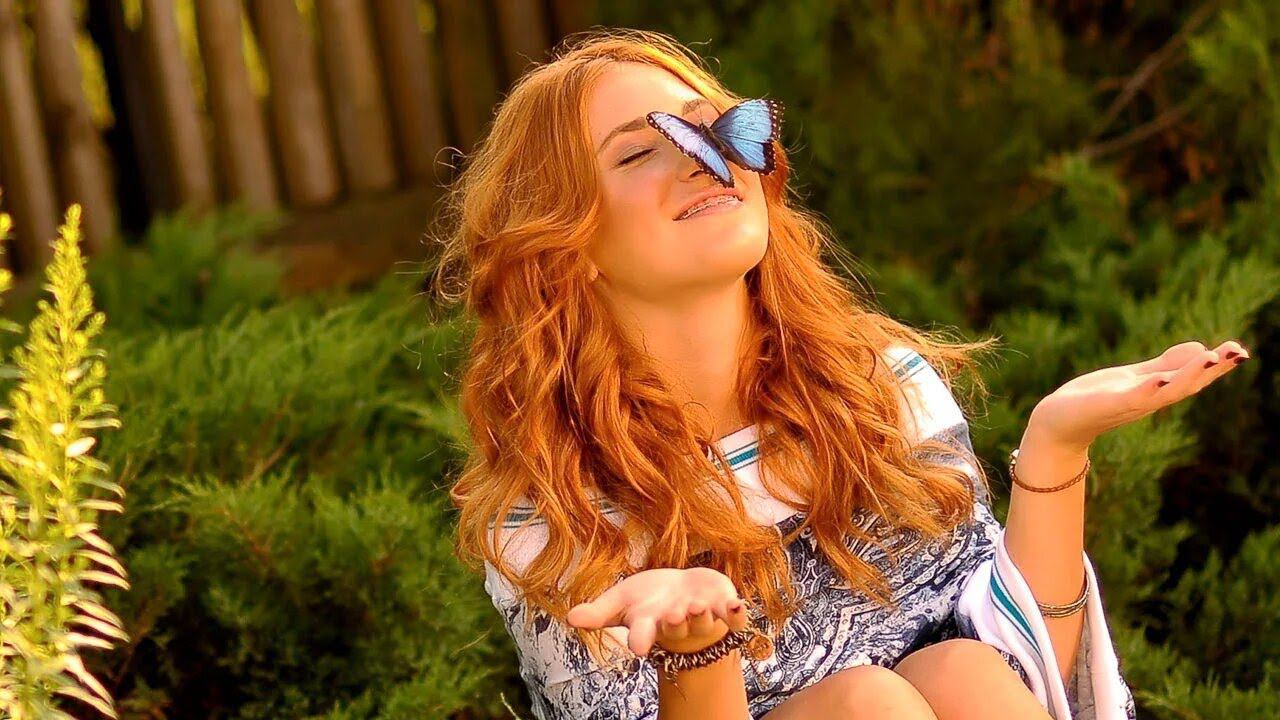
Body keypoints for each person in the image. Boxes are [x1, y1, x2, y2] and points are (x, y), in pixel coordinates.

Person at [434, 27, 1248, 720]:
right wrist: (697, 649)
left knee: (961, 671)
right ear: (565, 245)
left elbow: (1027, 673)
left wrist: (1056, 450)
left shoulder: (879, 390)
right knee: (867, 705)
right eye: (642, 150)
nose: (705, 162)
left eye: (716, 129)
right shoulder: (556, 513)